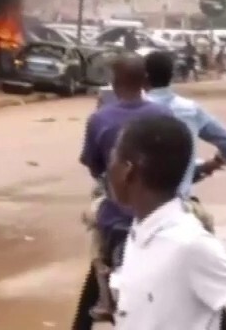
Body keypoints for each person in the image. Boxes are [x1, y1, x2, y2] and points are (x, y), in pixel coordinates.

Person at [107, 114, 226, 330]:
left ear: (128, 170)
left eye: (113, 159)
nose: (108, 169)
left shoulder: (188, 244)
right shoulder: (140, 232)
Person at [75, 53, 173, 325]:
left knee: (97, 241)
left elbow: (94, 166)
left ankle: (103, 300)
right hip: (161, 211)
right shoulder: (164, 114)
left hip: (116, 215)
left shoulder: (99, 119)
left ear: (114, 83)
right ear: (146, 82)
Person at [143, 51, 226, 211]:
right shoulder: (189, 109)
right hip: (180, 203)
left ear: (143, 77)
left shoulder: (133, 110)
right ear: (172, 75)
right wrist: (214, 163)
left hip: (139, 208)